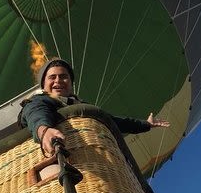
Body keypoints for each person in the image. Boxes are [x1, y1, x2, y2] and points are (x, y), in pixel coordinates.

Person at [19, 58, 171, 154]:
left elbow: (114, 121)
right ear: (44, 84)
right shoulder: (40, 100)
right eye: (52, 77)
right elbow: (35, 112)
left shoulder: (82, 105)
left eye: (64, 77)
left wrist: (146, 124)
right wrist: (44, 130)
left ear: (71, 84)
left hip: (95, 156)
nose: (58, 80)